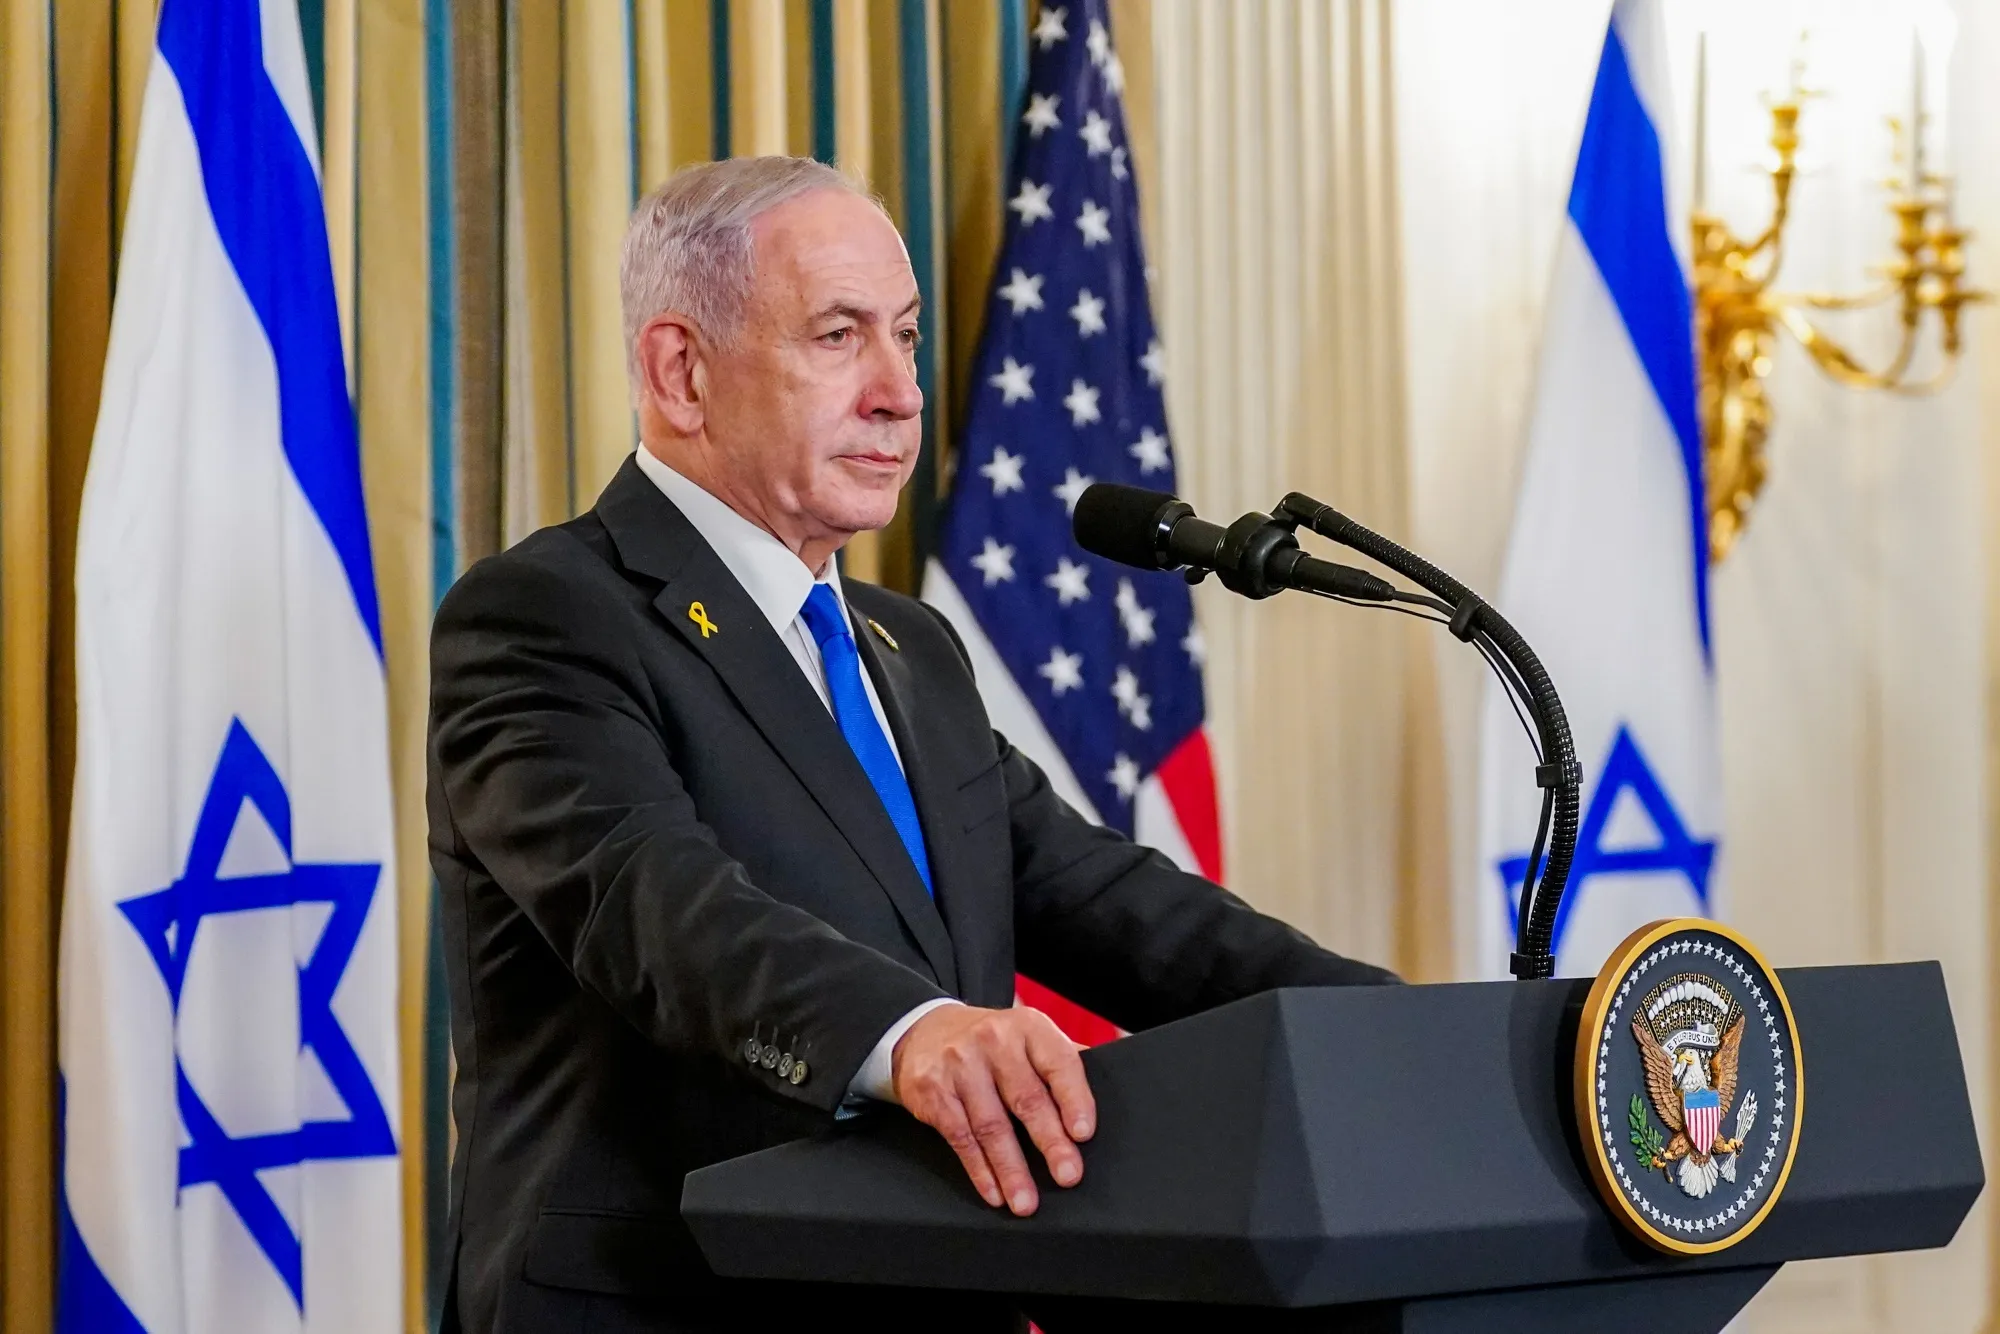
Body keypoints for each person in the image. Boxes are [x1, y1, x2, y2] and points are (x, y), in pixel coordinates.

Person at [427, 155, 1396, 1334]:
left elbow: (1108, 900)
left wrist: (1395, 1032)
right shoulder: (544, 614)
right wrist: (909, 1034)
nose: (899, 391)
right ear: (681, 372)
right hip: (668, 1303)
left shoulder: (906, 646)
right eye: (838, 336)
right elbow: (661, 909)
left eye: (905, 334)